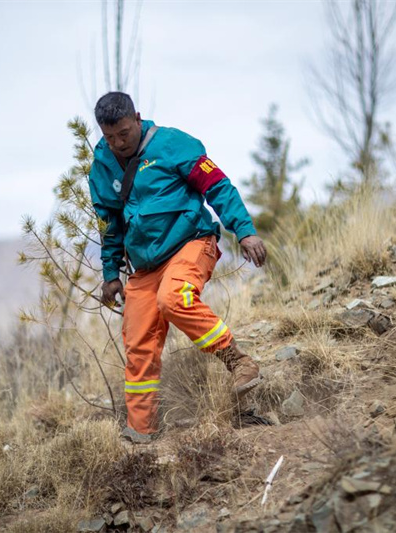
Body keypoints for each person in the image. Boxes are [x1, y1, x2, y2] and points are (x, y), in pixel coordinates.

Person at [88, 92, 268, 444]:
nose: (118, 143)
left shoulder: (174, 145)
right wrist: (110, 274)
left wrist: (244, 230)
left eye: (124, 133)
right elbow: (108, 223)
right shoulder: (103, 164)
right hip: (145, 266)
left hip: (190, 243)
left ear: (137, 119)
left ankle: (239, 363)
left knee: (174, 297)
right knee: (138, 342)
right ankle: (143, 435)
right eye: (109, 137)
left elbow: (218, 186)